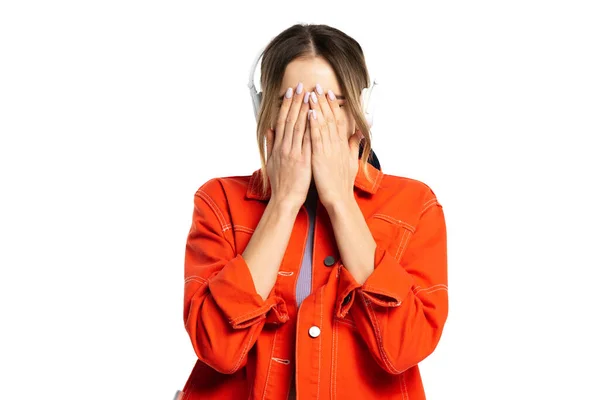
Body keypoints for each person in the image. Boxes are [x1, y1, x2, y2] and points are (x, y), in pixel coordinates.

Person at [179, 23, 448, 400]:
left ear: (360, 112)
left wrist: (340, 201)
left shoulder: (415, 205)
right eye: (292, 101)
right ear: (265, 111)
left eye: (328, 102)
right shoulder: (218, 200)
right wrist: (284, 202)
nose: (310, 119)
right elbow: (218, 349)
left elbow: (404, 349)